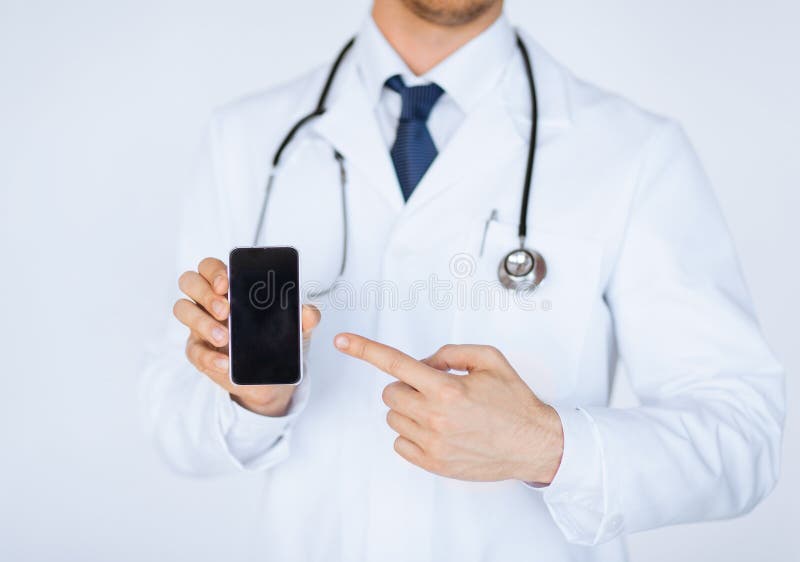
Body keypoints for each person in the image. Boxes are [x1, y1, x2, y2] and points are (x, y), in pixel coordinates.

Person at [141, 1, 785, 560]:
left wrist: (549, 447)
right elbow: (173, 425)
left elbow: (744, 437)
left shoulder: (635, 150)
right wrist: (254, 400)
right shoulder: (249, 139)